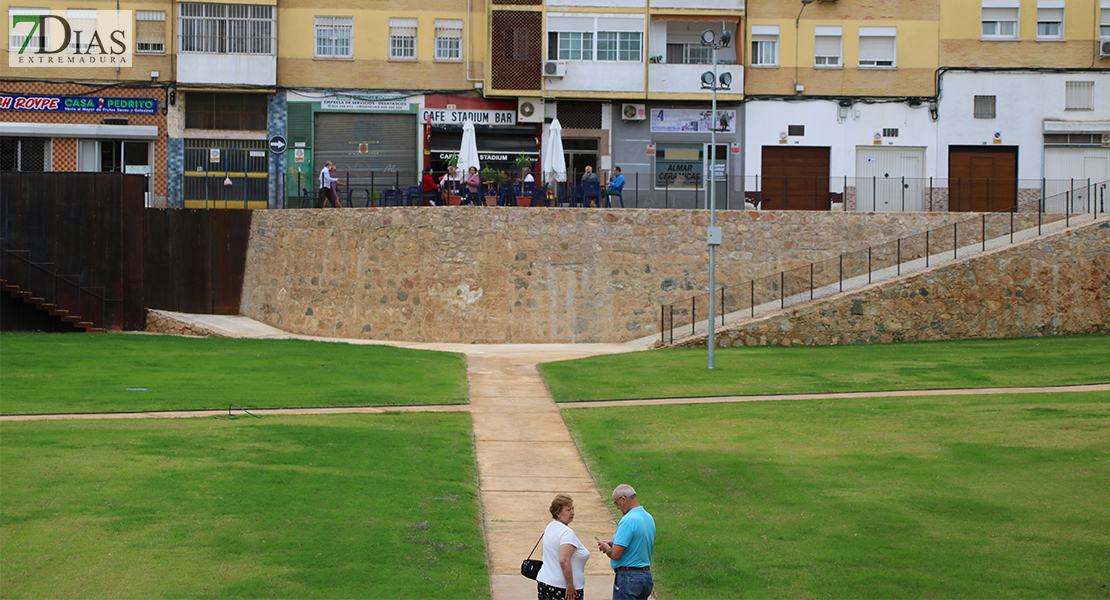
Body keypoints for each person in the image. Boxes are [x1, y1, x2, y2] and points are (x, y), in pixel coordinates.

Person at [597, 484, 655, 600]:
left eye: (616, 503)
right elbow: (637, 544)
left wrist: (606, 548)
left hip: (628, 578)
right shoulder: (648, 518)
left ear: (623, 499)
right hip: (645, 576)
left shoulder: (627, 520)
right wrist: (614, 543)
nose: (617, 508)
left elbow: (615, 554)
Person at [537, 494, 589, 600]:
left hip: (545, 582)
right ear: (558, 513)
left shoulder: (550, 527)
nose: (572, 513)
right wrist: (570, 585)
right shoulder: (566, 533)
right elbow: (564, 560)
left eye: (573, 509)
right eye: (568, 510)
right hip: (561, 588)